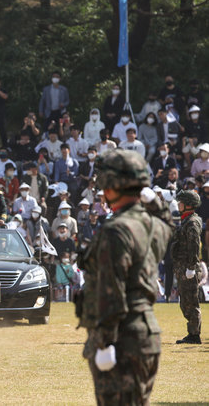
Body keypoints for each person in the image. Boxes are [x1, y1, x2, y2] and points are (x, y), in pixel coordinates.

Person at [78, 149, 173, 405]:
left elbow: (112, 291)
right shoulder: (154, 226)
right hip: (146, 334)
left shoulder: (116, 230)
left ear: (109, 187)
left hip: (121, 338)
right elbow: (168, 222)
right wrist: (153, 200)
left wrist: (106, 342)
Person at [171, 191, 202, 344]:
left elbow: (194, 245)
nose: (178, 204)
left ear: (188, 204)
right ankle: (192, 333)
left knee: (191, 301)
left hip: (188, 268)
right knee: (185, 301)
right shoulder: (186, 221)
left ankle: (195, 335)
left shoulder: (192, 222)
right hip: (183, 268)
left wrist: (191, 267)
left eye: (181, 202)